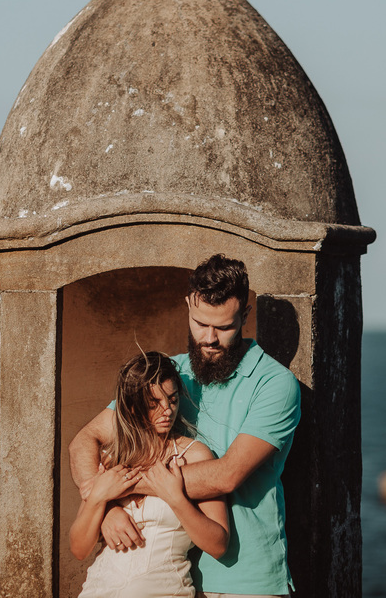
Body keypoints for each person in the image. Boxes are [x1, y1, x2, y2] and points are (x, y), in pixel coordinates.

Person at [71, 255, 301, 597]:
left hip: (245, 577)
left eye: (224, 327)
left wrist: (121, 488)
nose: (209, 338)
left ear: (245, 316)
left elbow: (225, 476)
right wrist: (101, 504)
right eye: (199, 323)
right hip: (179, 575)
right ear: (187, 307)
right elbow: (86, 438)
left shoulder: (275, 384)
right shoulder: (167, 376)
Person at [72, 351, 229, 597]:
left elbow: (218, 544)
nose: (167, 410)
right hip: (99, 589)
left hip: (164, 590)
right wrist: (100, 500)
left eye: (173, 399)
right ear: (133, 407)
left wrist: (175, 498)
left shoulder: (195, 455)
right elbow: (80, 549)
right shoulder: (112, 459)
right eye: (154, 403)